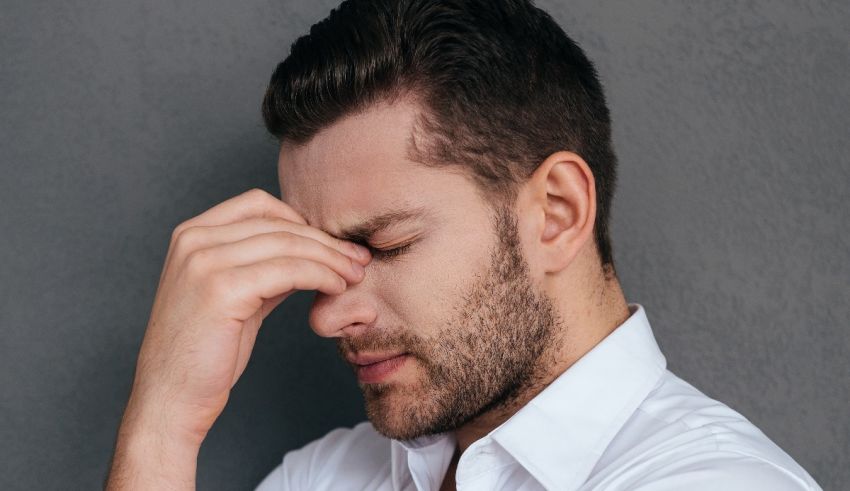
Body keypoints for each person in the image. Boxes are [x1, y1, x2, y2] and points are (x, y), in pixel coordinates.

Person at [105, 0, 822, 489]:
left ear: (557, 213)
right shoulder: (326, 475)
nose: (325, 315)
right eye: (315, 257)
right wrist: (162, 425)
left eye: (385, 244)